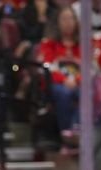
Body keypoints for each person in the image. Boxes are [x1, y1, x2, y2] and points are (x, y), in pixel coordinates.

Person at [36, 7, 82, 135]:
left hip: (78, 83)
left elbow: (89, 68)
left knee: (88, 93)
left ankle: (77, 130)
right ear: (57, 23)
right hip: (56, 84)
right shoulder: (48, 44)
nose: (68, 22)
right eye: (64, 19)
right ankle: (67, 133)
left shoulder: (83, 44)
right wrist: (64, 80)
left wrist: (77, 80)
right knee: (64, 93)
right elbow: (47, 67)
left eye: (71, 18)